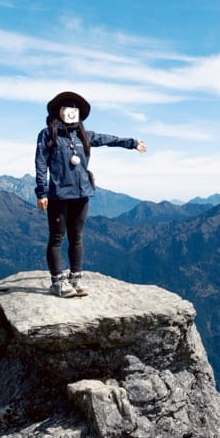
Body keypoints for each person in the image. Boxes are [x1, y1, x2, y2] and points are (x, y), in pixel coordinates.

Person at [34, 91, 147, 297]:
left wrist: (131, 143)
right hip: (58, 195)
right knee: (57, 237)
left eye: (74, 109)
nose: (71, 112)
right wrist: (41, 192)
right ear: (58, 112)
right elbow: (41, 163)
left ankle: (75, 278)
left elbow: (107, 140)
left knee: (76, 237)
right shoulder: (47, 134)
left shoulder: (83, 135)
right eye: (67, 108)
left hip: (82, 194)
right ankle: (57, 282)